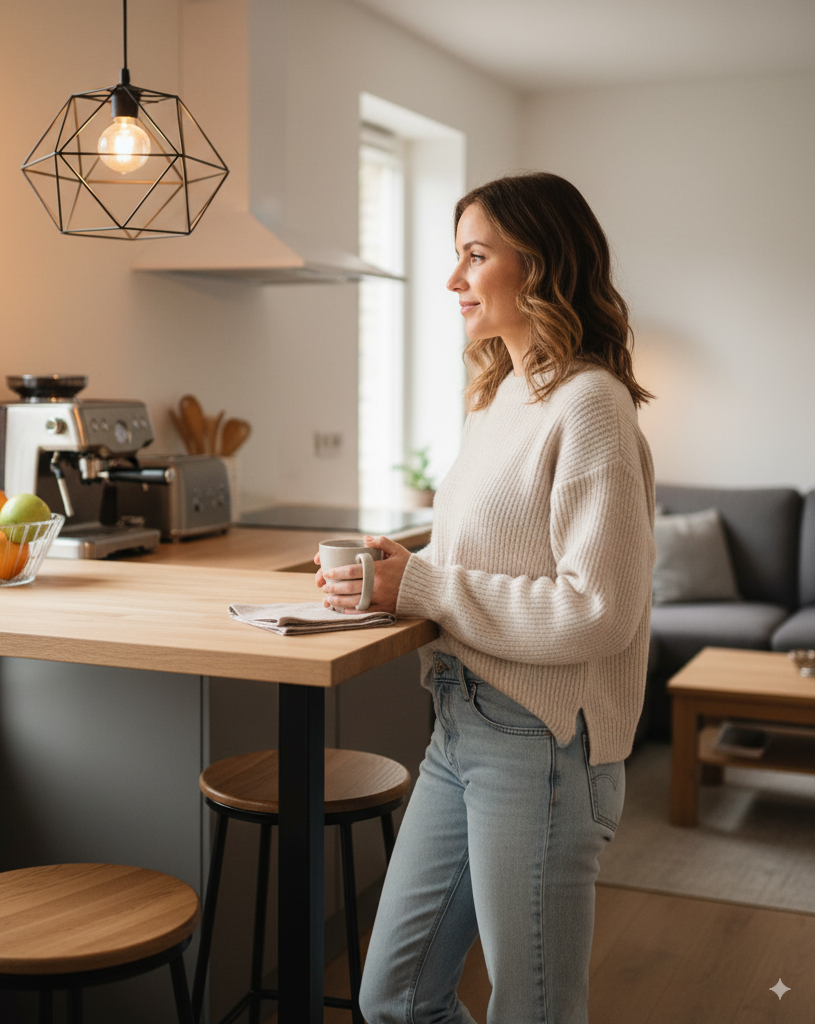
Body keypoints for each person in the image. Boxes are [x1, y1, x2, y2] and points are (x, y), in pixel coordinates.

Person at [316, 172, 655, 1024]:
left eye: (475, 256)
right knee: (393, 996)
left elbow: (596, 608)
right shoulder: (499, 397)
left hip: (539, 744)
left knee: (532, 1010)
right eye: (456, 257)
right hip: (459, 722)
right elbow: (487, 554)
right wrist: (392, 571)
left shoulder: (593, 406)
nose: (453, 280)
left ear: (538, 266)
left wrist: (423, 582)